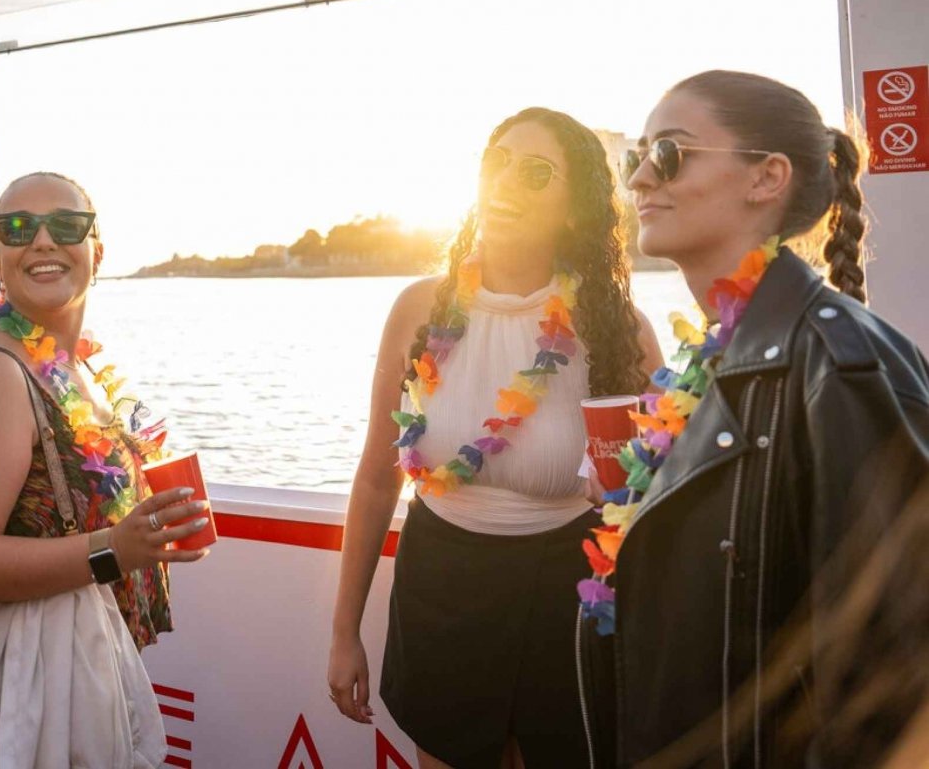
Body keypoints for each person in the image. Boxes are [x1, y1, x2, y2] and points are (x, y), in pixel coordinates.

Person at [577, 70, 929, 767]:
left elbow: (896, 674)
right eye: (635, 156)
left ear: (767, 178)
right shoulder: (712, 357)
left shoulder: (841, 363)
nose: (640, 178)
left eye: (670, 152)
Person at [328, 108, 662, 768]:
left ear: (574, 208)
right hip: (442, 581)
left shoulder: (618, 326)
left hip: (569, 590)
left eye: (537, 172)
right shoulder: (420, 309)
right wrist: (344, 633)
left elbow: (659, 491)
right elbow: (375, 475)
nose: (507, 181)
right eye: (498, 162)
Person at [0, 171, 210, 767]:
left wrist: (148, 534)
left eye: (67, 225)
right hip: (29, 691)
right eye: (18, 229)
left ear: (96, 252)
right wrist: (115, 549)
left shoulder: (68, 367)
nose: (44, 241)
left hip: (80, 667)